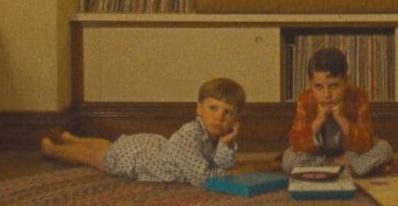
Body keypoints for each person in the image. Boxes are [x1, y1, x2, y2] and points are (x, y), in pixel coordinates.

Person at [40, 77, 246, 186]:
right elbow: (202, 178)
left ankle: (71, 138)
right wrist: (229, 175)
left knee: (109, 146)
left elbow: (220, 164)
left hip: (151, 147)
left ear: (235, 118)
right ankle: (53, 149)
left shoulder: (217, 137)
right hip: (137, 160)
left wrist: (225, 144)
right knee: (92, 156)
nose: (219, 117)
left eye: (227, 112)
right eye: (213, 108)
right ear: (199, 108)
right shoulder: (190, 134)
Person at [281, 47, 393, 177]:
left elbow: (365, 144)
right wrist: (318, 122)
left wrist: (342, 119)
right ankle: (342, 169)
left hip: (350, 154)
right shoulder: (305, 99)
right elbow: (296, 143)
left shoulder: (358, 97)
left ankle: (326, 170)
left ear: (346, 81)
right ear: (311, 84)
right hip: (318, 156)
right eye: (318, 86)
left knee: (384, 149)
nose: (327, 94)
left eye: (334, 86)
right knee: (289, 159)